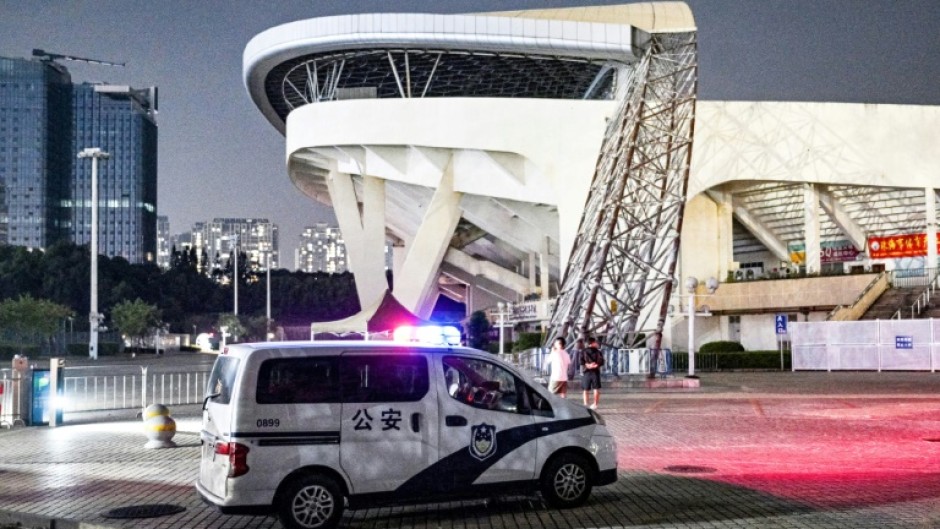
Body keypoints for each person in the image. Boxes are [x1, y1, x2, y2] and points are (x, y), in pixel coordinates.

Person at [580, 337, 604, 409]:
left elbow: (581, 362)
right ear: (592, 343)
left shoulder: (583, 351)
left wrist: (588, 365)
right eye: (595, 342)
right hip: (595, 372)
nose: (596, 343)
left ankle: (585, 404)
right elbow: (601, 362)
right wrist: (596, 365)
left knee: (585, 389)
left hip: (586, 372)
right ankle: (595, 404)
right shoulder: (598, 352)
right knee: (596, 389)